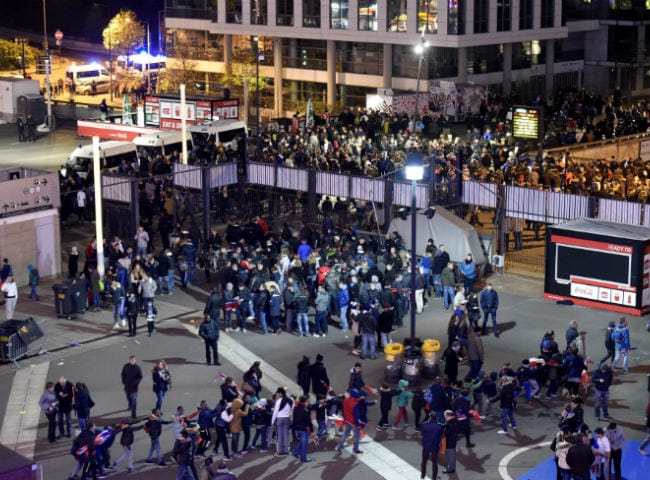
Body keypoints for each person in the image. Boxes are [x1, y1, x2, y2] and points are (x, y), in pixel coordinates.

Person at [334, 389, 364, 456]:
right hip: (353, 423)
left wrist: (359, 399)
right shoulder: (355, 404)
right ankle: (355, 450)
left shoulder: (345, 400)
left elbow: (351, 402)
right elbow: (356, 416)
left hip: (347, 421)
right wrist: (358, 424)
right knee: (357, 436)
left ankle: (338, 447)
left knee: (345, 435)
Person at [418, 411, 444, 480]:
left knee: (424, 461)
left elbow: (422, 434)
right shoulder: (439, 426)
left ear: (430, 416)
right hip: (435, 446)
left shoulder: (424, 425)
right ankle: (434, 477)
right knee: (434, 463)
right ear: (436, 417)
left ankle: (423, 475)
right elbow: (441, 435)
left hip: (426, 446)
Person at [291, 395, 315, 462]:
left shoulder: (296, 408)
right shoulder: (305, 410)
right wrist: (312, 431)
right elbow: (308, 422)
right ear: (305, 402)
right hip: (303, 429)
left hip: (297, 427)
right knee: (304, 444)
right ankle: (303, 458)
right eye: (307, 401)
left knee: (301, 441)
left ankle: (295, 452)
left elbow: (294, 417)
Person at [271, 387, 292, 455]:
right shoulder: (290, 400)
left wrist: (272, 421)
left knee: (279, 435)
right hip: (287, 418)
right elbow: (292, 410)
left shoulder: (279, 401)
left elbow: (276, 412)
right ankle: (287, 450)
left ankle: (279, 451)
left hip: (279, 419)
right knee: (286, 435)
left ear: (280, 393)